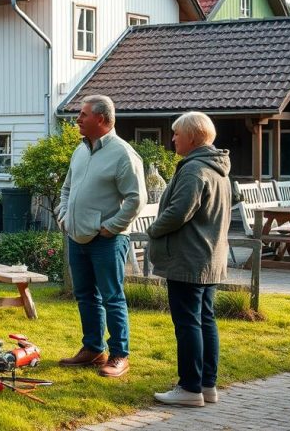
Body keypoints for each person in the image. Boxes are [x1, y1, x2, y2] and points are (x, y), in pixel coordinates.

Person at [57, 95, 146, 377]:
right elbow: (66, 188)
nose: (78, 119)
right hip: (77, 236)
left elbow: (136, 199)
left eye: (83, 114)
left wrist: (111, 227)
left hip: (107, 240)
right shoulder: (80, 150)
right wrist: (64, 216)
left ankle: (119, 355)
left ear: (102, 119)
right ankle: (93, 349)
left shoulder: (123, 154)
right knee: (85, 295)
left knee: (112, 297)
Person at [147, 112, 231, 407]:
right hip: (208, 258)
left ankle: (190, 388)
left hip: (188, 259)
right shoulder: (217, 168)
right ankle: (207, 385)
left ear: (192, 137)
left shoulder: (195, 169)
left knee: (188, 323)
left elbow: (179, 211)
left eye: (176, 134)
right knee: (205, 320)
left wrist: (153, 229)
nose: (172, 139)